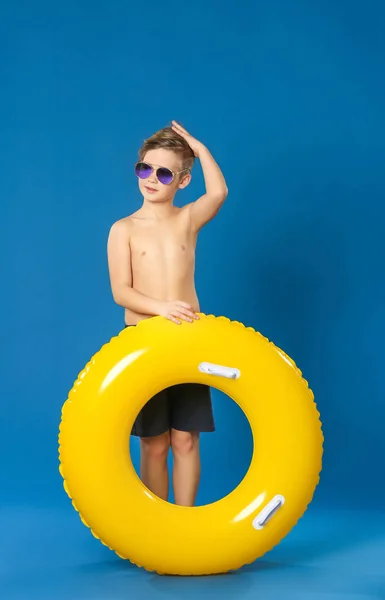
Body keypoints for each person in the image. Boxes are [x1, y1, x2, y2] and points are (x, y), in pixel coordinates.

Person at [107, 120, 228, 506]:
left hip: (187, 340)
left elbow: (220, 191)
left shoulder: (187, 221)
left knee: (186, 439)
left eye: (164, 173)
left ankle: (184, 521)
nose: (151, 178)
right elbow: (121, 292)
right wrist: (161, 308)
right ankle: (161, 527)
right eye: (145, 168)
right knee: (154, 442)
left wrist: (197, 145)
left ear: (183, 181)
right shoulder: (123, 229)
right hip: (144, 341)